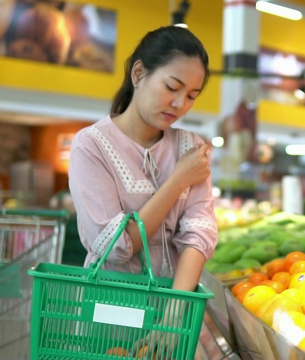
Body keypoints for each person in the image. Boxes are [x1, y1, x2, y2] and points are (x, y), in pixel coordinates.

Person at [68, 25, 217, 296]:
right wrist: (179, 179)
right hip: (109, 306)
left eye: (192, 96)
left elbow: (198, 234)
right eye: (172, 87)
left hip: (173, 307)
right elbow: (115, 247)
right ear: (138, 73)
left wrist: (176, 309)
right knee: (113, 343)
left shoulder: (191, 148)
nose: (180, 103)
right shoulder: (91, 145)